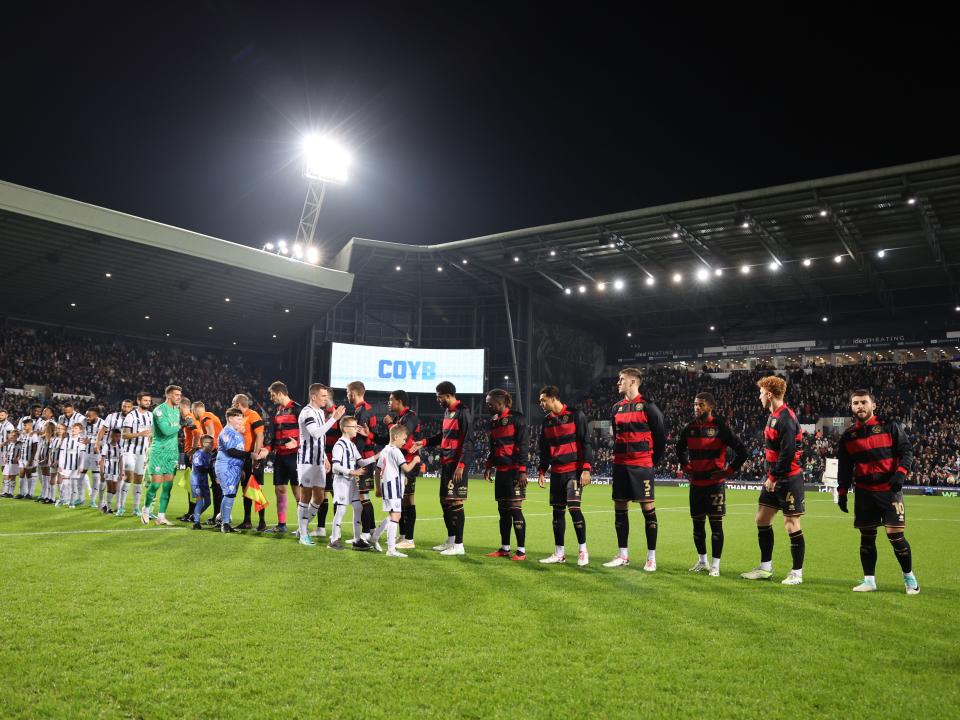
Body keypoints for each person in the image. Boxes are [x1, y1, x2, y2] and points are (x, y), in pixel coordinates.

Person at [837, 389, 919, 594]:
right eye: (855, 403)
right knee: (867, 537)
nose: (860, 406)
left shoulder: (890, 426)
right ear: (851, 407)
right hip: (864, 492)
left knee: (896, 536)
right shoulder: (848, 436)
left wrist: (901, 473)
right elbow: (844, 467)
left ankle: (910, 579)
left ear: (873, 405)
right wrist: (842, 491)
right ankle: (869, 581)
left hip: (889, 491)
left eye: (864, 402)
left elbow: (907, 451)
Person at [741, 376, 807, 585]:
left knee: (791, 524)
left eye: (761, 393)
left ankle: (797, 573)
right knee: (762, 519)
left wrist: (772, 477)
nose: (759, 396)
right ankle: (765, 568)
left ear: (769, 394)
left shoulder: (786, 418)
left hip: (787, 480)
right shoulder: (773, 416)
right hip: (774, 478)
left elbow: (788, 454)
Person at [676, 392, 747, 576]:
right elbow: (678, 448)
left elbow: (742, 451)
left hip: (715, 485)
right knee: (697, 526)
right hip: (696, 484)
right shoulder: (689, 428)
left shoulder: (720, 427)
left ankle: (715, 565)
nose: (696, 408)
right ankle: (702, 561)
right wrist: (686, 466)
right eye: (695, 404)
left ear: (710, 407)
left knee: (716, 526)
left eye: (700, 405)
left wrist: (727, 471)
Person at [604, 367, 666, 571]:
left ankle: (651, 558)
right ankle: (623, 555)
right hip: (620, 465)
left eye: (621, 379)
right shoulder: (616, 408)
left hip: (642, 466)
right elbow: (617, 437)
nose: (618, 382)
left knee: (647, 509)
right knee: (619, 508)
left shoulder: (649, 407)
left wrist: (649, 462)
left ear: (633, 382)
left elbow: (660, 438)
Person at [415, 381, 473, 556]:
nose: (437, 399)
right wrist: (424, 442)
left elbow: (468, 440)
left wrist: (461, 465)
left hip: (457, 464)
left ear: (447, 395)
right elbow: (443, 436)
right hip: (446, 463)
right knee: (445, 502)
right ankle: (451, 540)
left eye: (438, 396)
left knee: (456, 502)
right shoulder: (448, 412)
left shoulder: (463, 412)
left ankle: (459, 545)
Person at [536, 386, 593, 567]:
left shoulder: (576, 415)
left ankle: (583, 551)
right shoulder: (546, 422)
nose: (541, 404)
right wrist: (542, 470)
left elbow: (586, 442)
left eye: (543, 400)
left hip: (574, 471)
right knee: (557, 513)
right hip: (557, 472)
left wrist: (586, 468)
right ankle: (559, 553)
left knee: (574, 509)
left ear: (553, 398)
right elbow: (544, 449)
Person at [482, 388, 529, 561]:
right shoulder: (493, 422)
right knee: (503, 512)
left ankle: (521, 551)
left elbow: (523, 446)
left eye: (490, 403)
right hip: (501, 473)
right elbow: (493, 448)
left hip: (515, 472)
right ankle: (505, 548)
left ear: (500, 403)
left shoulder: (517, 418)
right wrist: (488, 466)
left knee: (515, 510)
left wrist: (522, 471)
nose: (487, 406)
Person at [295, 383, 344, 547]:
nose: (326, 399)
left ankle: (302, 528)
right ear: (313, 396)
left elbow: (319, 438)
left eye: (327, 396)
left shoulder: (320, 412)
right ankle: (303, 534)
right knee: (306, 496)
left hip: (318, 461)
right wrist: (334, 419)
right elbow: (315, 433)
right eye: (323, 396)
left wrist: (324, 456)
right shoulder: (307, 412)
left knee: (319, 497)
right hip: (307, 461)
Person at [369, 425, 421, 558]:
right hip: (394, 488)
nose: (405, 442)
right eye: (404, 439)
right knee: (396, 516)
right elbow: (407, 468)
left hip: (387, 486)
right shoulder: (396, 451)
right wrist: (415, 460)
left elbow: (377, 470)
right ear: (396, 437)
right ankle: (391, 549)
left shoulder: (385, 450)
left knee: (393, 515)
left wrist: (378, 488)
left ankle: (374, 538)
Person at [140, 385, 183, 526]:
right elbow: (165, 430)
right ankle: (145, 510)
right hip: (159, 452)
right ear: (168, 395)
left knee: (168, 487)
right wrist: (181, 425)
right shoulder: (159, 411)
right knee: (156, 485)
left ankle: (161, 516)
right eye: (176, 395)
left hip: (172, 453)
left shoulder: (177, 410)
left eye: (180, 395)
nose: (179, 397)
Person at [215, 408, 251, 534]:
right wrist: (250, 455)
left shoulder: (237, 434)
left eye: (241, 418)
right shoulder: (226, 432)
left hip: (235, 468)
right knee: (229, 493)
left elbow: (238, 453)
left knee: (230, 494)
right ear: (230, 418)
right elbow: (232, 451)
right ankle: (225, 524)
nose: (241, 421)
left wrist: (240, 468)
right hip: (226, 466)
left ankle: (222, 520)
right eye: (238, 418)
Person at [190, 434, 216, 530]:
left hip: (204, 481)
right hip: (197, 480)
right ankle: (196, 523)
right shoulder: (198, 454)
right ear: (202, 443)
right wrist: (211, 468)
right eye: (208, 443)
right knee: (200, 501)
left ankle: (195, 515)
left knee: (208, 502)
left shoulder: (209, 454)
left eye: (211, 443)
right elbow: (200, 467)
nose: (210, 445)